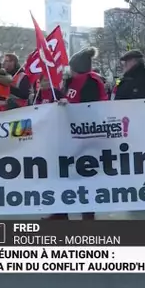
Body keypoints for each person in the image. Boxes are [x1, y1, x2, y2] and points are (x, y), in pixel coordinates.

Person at [46, 47, 107, 220]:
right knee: (64, 173)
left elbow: (90, 108)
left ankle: (88, 215)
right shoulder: (71, 81)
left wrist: (70, 106)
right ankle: (60, 212)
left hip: (86, 136)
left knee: (85, 175)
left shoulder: (92, 82)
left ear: (77, 67)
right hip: (69, 134)